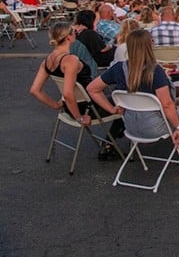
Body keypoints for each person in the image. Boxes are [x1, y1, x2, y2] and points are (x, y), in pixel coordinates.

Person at [87, 29, 179, 165]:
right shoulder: (154, 71)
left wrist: (112, 109)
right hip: (155, 126)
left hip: (131, 125)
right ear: (149, 45)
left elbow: (92, 88)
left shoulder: (118, 68)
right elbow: (167, 105)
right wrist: (178, 127)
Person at [29, 22, 123, 160]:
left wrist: (56, 105)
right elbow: (68, 93)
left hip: (70, 108)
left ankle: (110, 144)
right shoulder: (70, 60)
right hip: (87, 108)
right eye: (74, 33)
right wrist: (79, 117)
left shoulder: (48, 60)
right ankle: (109, 146)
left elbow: (35, 90)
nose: (76, 35)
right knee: (125, 99)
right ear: (68, 38)